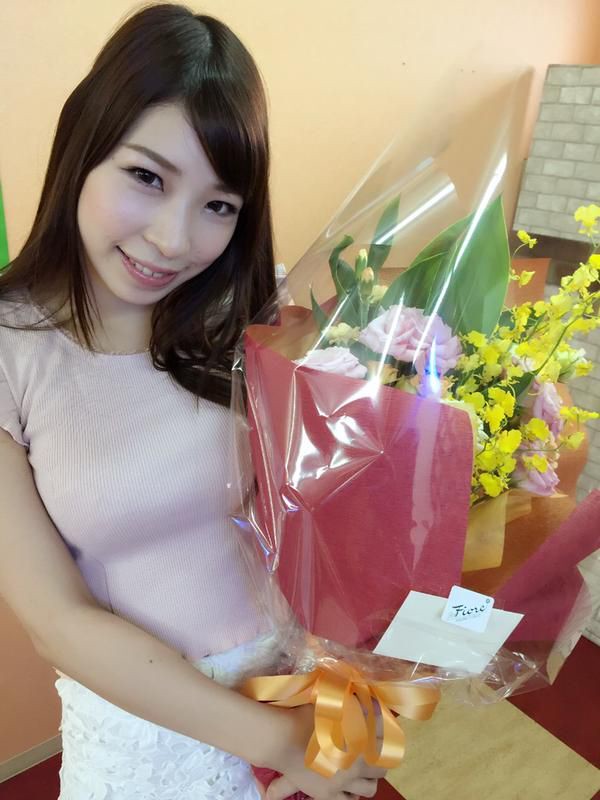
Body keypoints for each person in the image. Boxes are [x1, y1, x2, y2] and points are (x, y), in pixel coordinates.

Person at [0, 5, 386, 799]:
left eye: (218, 205)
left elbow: (320, 511)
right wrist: (280, 744)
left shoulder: (252, 314)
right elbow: (56, 621)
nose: (175, 241)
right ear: (82, 147)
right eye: (147, 177)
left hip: (296, 693)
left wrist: (358, 678)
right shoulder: (12, 346)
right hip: (152, 732)